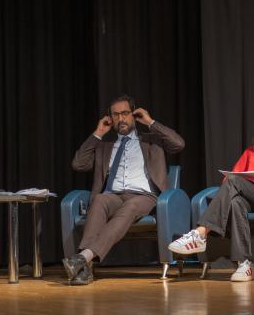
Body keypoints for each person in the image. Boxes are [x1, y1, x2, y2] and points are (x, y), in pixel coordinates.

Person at [168, 106, 254, 281]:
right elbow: (230, 178)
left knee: (234, 183)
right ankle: (245, 264)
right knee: (235, 202)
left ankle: (200, 233)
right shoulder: (251, 152)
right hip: (253, 200)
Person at [63, 95, 185, 285]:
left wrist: (150, 121)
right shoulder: (105, 145)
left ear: (134, 115)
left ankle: (82, 257)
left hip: (145, 196)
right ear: (110, 118)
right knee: (100, 200)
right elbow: (78, 164)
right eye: (116, 115)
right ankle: (84, 268)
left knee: (131, 206)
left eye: (125, 113)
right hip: (114, 195)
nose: (121, 119)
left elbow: (179, 144)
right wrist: (97, 133)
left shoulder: (152, 140)